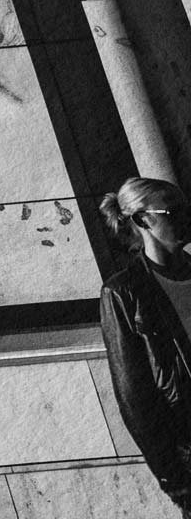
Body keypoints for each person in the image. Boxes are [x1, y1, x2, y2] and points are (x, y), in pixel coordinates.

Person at [101, 177, 191, 515]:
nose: (186, 217)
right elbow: (135, 399)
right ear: (143, 221)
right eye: (173, 211)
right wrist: (177, 482)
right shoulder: (125, 293)